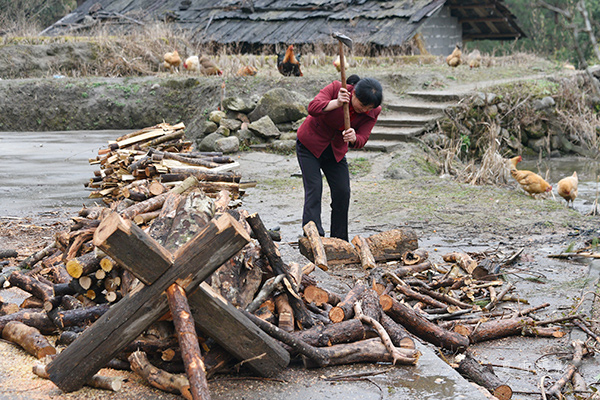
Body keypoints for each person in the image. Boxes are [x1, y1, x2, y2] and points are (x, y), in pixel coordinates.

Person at [296, 76, 383, 241]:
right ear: (354, 94)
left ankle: (339, 240)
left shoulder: (373, 111)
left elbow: (363, 138)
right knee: (314, 189)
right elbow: (312, 107)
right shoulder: (337, 88)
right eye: (363, 105)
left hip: (335, 151)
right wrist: (335, 103)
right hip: (310, 145)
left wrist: (354, 138)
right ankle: (313, 237)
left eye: (369, 108)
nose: (365, 110)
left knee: (343, 192)